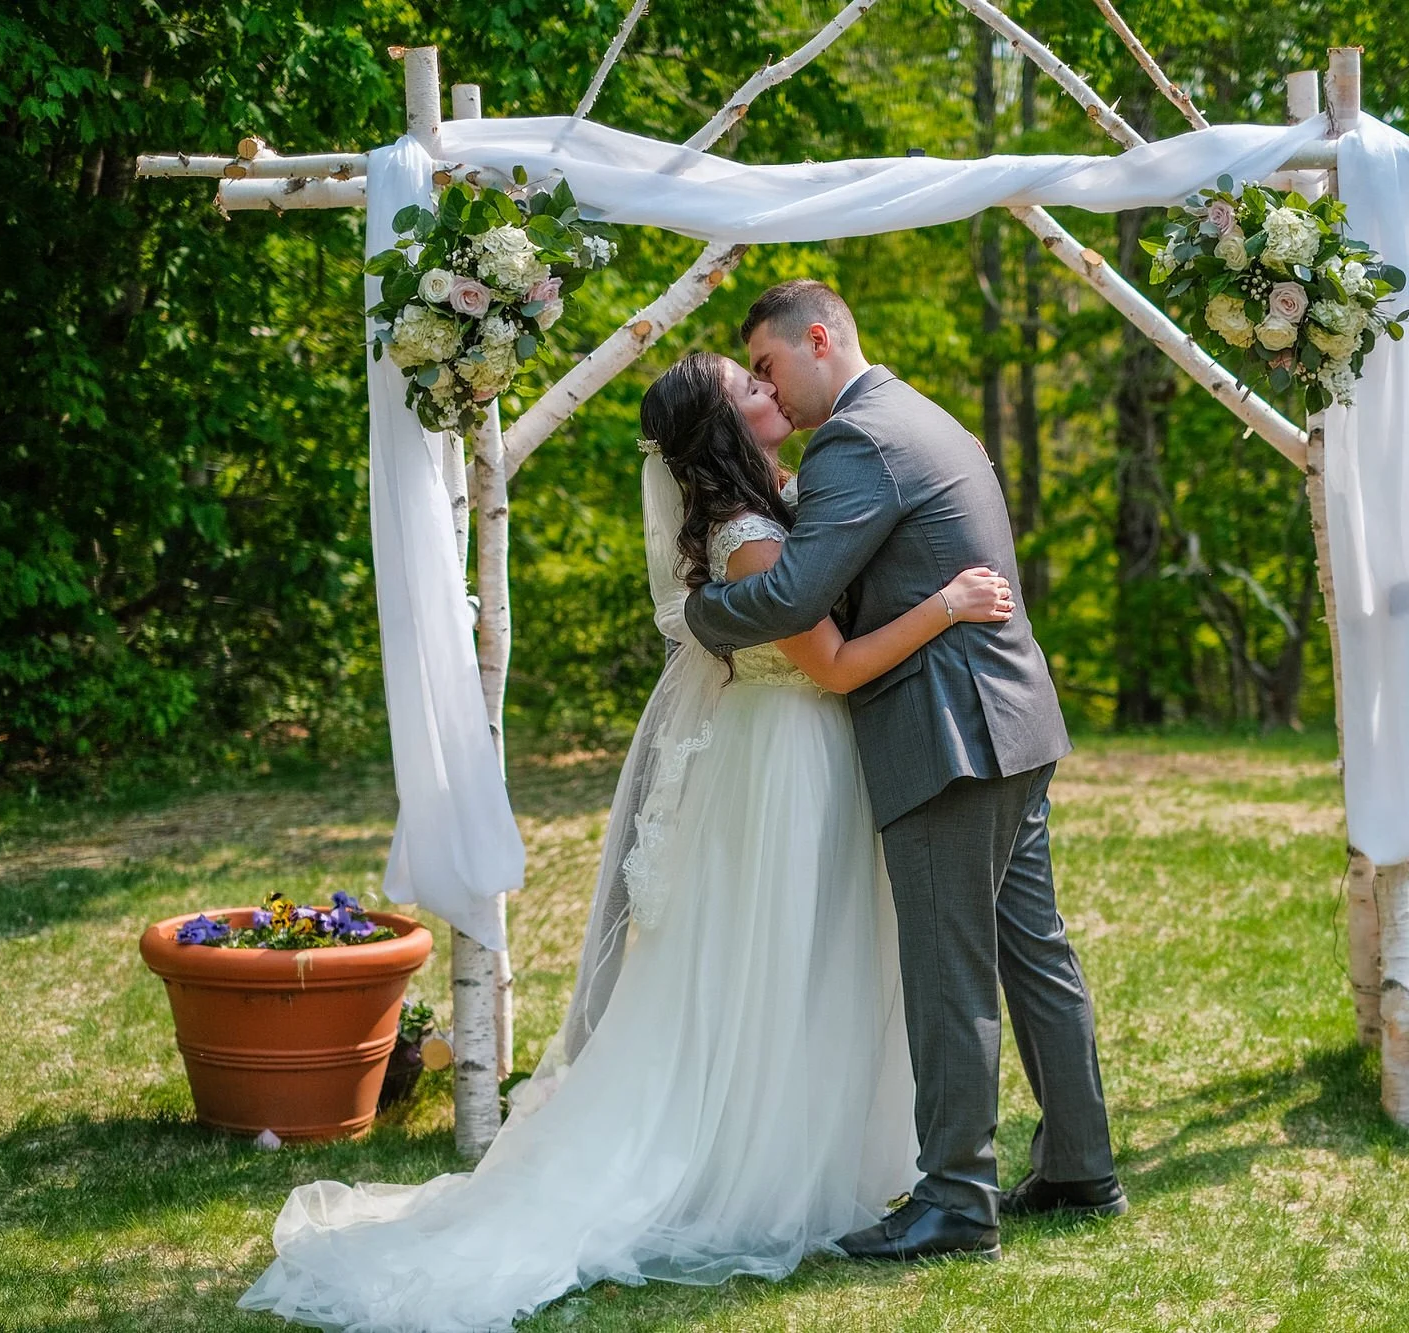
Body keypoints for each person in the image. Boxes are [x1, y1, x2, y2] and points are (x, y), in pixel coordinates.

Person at [238, 349, 1017, 1332]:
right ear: (725, 425)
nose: (770, 393)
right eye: (750, 388)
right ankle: (765, 1159)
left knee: (813, 960)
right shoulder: (747, 538)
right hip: (786, 763)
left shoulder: (778, 501)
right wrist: (947, 607)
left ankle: (843, 1150)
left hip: (801, 759)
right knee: (781, 960)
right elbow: (831, 666)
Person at [687, 280, 1123, 1266]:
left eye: (765, 365)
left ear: (818, 337)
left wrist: (699, 616)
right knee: (1031, 949)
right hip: (1010, 720)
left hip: (947, 735)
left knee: (947, 969)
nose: (765, 386)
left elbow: (794, 590)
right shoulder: (921, 414)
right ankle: (1079, 1163)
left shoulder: (855, 440)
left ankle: (957, 1201)